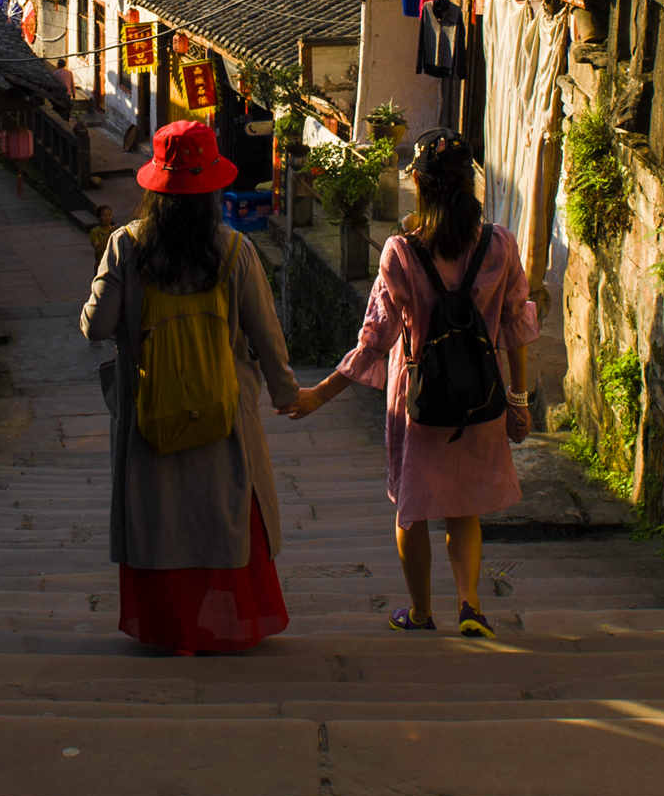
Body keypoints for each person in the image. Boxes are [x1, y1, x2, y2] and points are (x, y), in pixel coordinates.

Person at [287, 128, 536, 639]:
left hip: (419, 398)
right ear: (471, 186)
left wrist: (319, 394)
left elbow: (374, 339)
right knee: (465, 507)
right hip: (481, 396)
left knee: (413, 507)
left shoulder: (401, 253)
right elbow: (516, 326)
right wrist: (518, 399)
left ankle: (421, 612)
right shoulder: (499, 245)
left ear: (419, 186)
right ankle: (469, 605)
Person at [80, 118, 300, 655]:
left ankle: (172, 629)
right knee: (221, 507)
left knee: (161, 515)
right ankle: (224, 623)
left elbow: (97, 327)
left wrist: (102, 283)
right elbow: (267, 337)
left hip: (148, 409)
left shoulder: (126, 247)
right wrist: (287, 394)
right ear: (212, 189)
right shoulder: (233, 251)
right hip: (222, 407)